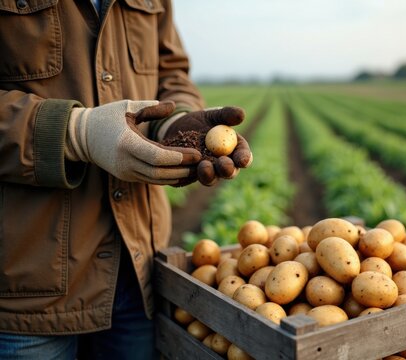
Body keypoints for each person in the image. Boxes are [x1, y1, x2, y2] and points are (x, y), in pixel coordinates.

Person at [0, 0, 252, 359]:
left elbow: (172, 73)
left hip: (138, 268)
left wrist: (173, 122)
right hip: (28, 287)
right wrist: (74, 131)